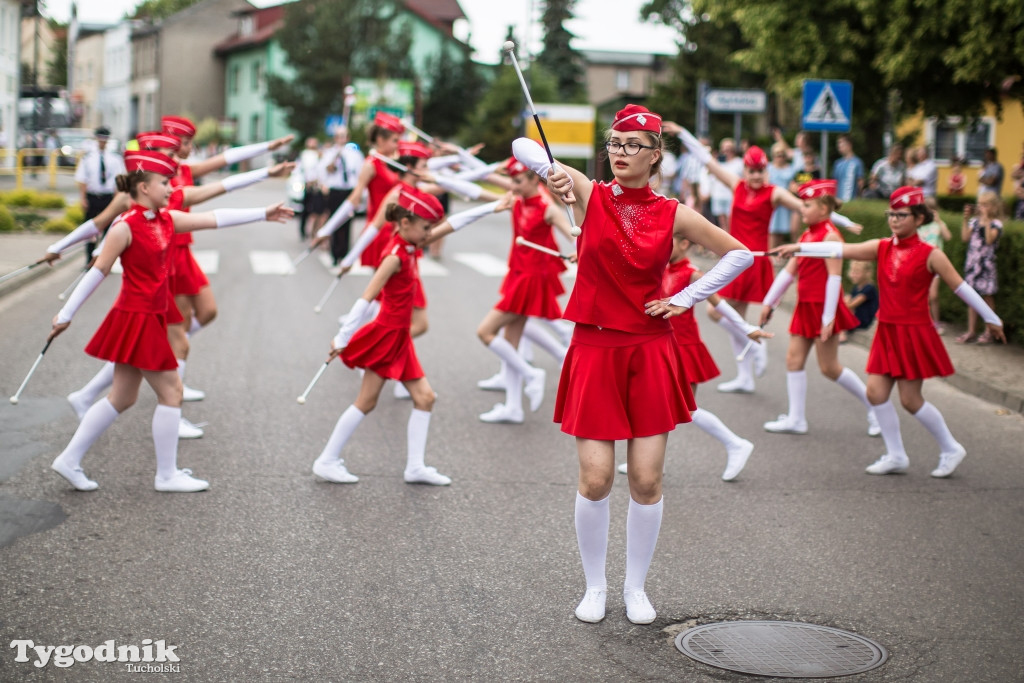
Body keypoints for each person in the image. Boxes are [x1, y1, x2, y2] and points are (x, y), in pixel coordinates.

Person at [514, 104, 755, 625]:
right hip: (595, 348)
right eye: (614, 144)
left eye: (632, 146)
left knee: (646, 479)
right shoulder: (590, 193)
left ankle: (636, 588)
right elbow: (522, 145)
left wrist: (687, 296)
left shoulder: (673, 213)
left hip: (648, 348)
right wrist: (547, 170)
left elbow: (740, 255)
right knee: (597, 477)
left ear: (655, 155)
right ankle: (595, 586)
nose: (620, 153)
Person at [47, 150, 292, 492]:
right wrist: (67, 314)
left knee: (122, 397)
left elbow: (215, 217)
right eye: (164, 182)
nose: (170, 187)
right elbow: (97, 271)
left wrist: (263, 213)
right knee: (171, 391)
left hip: (150, 315)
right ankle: (166, 475)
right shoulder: (125, 227)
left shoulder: (165, 219)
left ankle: (69, 460)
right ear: (144, 187)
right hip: (138, 317)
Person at [772, 186, 1005, 478]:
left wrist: (991, 318)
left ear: (919, 218)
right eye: (891, 214)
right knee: (876, 393)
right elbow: (839, 249)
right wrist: (798, 247)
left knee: (910, 400)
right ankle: (896, 455)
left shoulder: (931, 254)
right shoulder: (881, 247)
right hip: (887, 331)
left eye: (902, 214)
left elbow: (961, 287)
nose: (894, 219)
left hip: (913, 332)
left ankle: (950, 447)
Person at [311, 187, 510, 486]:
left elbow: (452, 225)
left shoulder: (409, 243)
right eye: (425, 227)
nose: (429, 234)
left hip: (400, 335)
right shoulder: (394, 256)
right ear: (406, 223)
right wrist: (342, 337)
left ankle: (415, 467)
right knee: (366, 402)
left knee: (425, 398)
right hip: (386, 335)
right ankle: (326, 460)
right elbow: (367, 297)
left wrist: (492, 207)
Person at [669, 121, 863, 395]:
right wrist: (683, 133)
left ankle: (753, 343)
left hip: (753, 260)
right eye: (752, 171)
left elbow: (813, 206)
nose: (757, 176)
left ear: (766, 170)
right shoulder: (736, 185)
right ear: (745, 169)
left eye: (761, 171)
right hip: (732, 258)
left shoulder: (775, 193)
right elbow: (707, 161)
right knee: (730, 313)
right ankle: (746, 373)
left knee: (716, 310)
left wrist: (843, 221)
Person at [617, 231, 769, 481]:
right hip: (658, 347)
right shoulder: (656, 268)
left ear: (685, 243)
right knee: (653, 405)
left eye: (668, 243)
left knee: (686, 410)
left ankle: (736, 444)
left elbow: (719, 305)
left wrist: (746, 328)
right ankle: (651, 463)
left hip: (684, 349)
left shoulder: (692, 274)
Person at [758, 180, 880, 437]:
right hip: (805, 306)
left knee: (829, 367)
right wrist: (769, 302)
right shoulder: (806, 234)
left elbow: (835, 278)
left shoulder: (830, 235)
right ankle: (796, 418)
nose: (801, 209)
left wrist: (828, 318)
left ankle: (875, 407)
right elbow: (790, 272)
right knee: (793, 360)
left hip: (824, 308)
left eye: (807, 204)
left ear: (824, 209)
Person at [475, 157, 575, 424]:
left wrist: (577, 251)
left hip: (531, 278)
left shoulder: (547, 207)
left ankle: (532, 375)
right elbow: (489, 181)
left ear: (534, 179)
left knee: (485, 331)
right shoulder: (518, 198)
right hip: (518, 272)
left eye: (518, 181)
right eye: (513, 181)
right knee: (511, 342)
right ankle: (513, 407)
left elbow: (573, 235)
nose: (513, 186)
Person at [312, 112, 404, 268]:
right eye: (395, 140)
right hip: (380, 226)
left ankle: (342, 252)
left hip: (398, 225)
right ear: (380, 139)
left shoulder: (391, 163)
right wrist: (326, 230)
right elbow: (355, 197)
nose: (398, 145)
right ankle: (337, 255)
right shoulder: (371, 164)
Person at [956, 192, 1003, 344]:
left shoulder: (996, 224)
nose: (981, 208)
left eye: (985, 205)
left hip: (986, 265)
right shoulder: (974, 222)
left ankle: (989, 330)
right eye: (980, 204)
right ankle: (971, 330)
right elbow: (964, 238)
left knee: (987, 298)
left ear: (993, 207)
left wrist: (987, 220)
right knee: (972, 298)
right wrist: (965, 219)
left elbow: (989, 240)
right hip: (973, 264)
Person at [74, 127, 126, 264]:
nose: (102, 142)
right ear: (97, 139)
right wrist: (83, 198)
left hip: (108, 197)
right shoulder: (88, 158)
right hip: (93, 196)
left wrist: (117, 199)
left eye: (105, 140)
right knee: (90, 229)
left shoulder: (114, 158)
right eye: (100, 139)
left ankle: (103, 259)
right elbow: (83, 179)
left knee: (108, 230)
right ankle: (89, 259)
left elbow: (118, 180)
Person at [318, 126, 364, 263]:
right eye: (338, 136)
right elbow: (326, 170)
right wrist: (335, 159)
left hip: (349, 190)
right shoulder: (330, 153)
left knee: (347, 222)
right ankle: (334, 253)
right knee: (334, 220)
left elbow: (360, 174)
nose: (341, 138)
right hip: (335, 191)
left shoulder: (355, 155)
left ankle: (344, 252)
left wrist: (359, 194)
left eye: (343, 136)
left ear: (348, 137)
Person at [917, 197, 952, 334]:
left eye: (932, 210)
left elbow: (948, 237)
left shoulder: (938, 224)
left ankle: (936, 322)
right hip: (920, 265)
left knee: (933, 295)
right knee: (921, 296)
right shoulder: (918, 225)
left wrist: (939, 222)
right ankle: (923, 321)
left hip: (936, 266)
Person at [707, 137, 744, 231]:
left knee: (732, 224)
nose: (726, 151)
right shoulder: (717, 163)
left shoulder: (739, 163)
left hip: (732, 197)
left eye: (729, 149)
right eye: (724, 149)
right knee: (722, 225)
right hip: (718, 196)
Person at [839, 260, 879, 343]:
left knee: (842, 309)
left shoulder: (869, 288)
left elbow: (851, 305)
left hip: (864, 320)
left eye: (857, 273)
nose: (854, 275)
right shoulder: (856, 288)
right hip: (856, 315)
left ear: (867, 273)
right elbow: (848, 300)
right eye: (852, 272)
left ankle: (842, 333)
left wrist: (844, 303)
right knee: (844, 302)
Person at [767, 142, 797, 249]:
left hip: (786, 202)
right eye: (777, 154)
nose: (780, 157)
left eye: (782, 154)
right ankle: (770, 253)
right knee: (772, 229)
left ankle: (778, 252)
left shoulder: (791, 169)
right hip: (772, 202)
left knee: (781, 230)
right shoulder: (768, 168)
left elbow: (793, 184)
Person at [297, 136, 325, 239]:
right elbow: (301, 169)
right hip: (307, 185)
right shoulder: (304, 154)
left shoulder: (319, 155)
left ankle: (314, 231)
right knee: (305, 209)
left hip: (317, 186)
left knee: (318, 210)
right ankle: (303, 231)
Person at [831, 134, 864, 201]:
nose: (839, 147)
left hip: (851, 200)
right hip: (838, 200)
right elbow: (834, 182)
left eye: (841, 145)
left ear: (849, 145)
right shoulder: (837, 163)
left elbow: (860, 182)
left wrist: (859, 197)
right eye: (838, 145)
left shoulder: (857, 162)